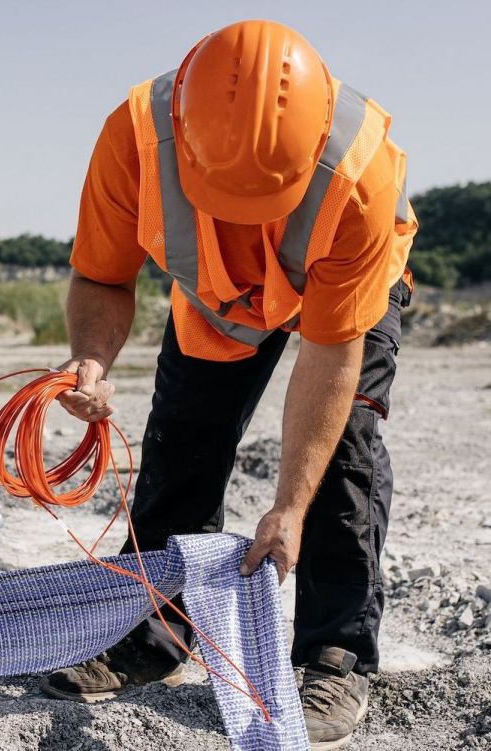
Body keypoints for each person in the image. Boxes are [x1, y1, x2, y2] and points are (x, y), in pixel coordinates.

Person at [38, 19, 417, 750]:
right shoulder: (135, 140)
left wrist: (288, 505)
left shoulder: (359, 175)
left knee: (344, 453)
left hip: (348, 288)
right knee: (183, 439)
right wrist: (91, 359)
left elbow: (331, 355)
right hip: (218, 295)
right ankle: (153, 633)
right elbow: (102, 274)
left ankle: (334, 654)